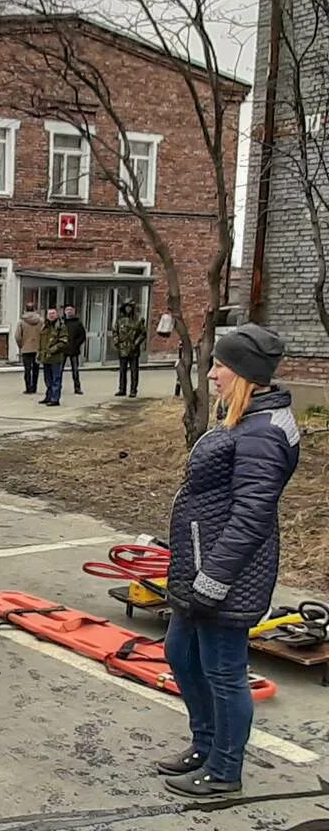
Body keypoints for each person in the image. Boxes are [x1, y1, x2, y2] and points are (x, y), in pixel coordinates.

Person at [158, 324, 299, 797]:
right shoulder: (246, 419)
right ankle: (205, 743)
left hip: (227, 575)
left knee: (223, 672)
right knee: (180, 653)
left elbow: (251, 517)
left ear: (244, 373)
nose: (212, 373)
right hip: (200, 566)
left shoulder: (265, 432)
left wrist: (214, 579)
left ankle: (223, 770)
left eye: (221, 365)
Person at [112, 300, 148, 397]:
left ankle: (133, 390)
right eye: (126, 307)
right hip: (123, 348)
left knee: (134, 371)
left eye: (130, 307)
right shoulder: (120, 320)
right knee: (122, 370)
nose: (128, 309)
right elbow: (115, 332)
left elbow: (143, 333)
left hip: (133, 349)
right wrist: (117, 343)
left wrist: (136, 343)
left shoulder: (138, 320)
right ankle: (122, 389)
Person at [38, 308, 70, 407]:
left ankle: (55, 398)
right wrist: (39, 353)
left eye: (53, 313)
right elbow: (41, 341)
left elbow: (64, 341)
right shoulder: (45, 326)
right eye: (49, 314)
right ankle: (49, 396)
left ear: (56, 315)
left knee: (56, 378)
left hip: (56, 357)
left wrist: (53, 349)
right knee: (48, 379)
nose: (51, 315)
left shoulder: (60, 326)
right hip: (46, 357)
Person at [14, 304, 44, 395]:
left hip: (26, 348)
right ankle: (34, 387)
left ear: (25, 310)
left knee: (27, 369)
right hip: (37, 348)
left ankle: (28, 388)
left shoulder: (21, 322)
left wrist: (21, 345)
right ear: (34, 309)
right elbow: (44, 333)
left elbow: (17, 336)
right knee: (36, 368)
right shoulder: (41, 321)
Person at [63, 304, 87, 395]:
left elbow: (82, 336)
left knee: (75, 370)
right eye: (67, 309)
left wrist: (76, 344)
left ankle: (77, 388)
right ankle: (57, 387)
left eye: (70, 309)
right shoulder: (62, 322)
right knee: (59, 370)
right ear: (65, 311)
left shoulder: (78, 323)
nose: (69, 311)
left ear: (74, 311)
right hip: (63, 349)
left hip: (74, 349)